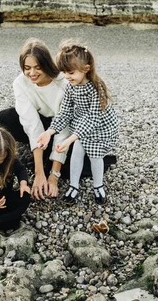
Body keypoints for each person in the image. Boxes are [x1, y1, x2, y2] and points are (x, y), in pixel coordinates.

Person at [37, 41, 119, 205]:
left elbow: (93, 118)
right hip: (81, 123)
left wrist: (69, 139)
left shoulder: (96, 87)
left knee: (95, 155)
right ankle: (74, 185)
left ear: (86, 69)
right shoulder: (70, 87)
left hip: (99, 126)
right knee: (77, 151)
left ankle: (98, 186)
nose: (67, 76)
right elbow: (65, 112)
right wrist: (49, 132)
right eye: (64, 72)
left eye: (71, 72)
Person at [0, 38, 71, 200]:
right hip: (38, 122)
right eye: (27, 68)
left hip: (61, 125)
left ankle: (48, 155)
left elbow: (64, 130)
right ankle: (40, 151)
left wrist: (53, 177)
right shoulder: (20, 83)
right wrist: (38, 174)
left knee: (71, 169)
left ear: (46, 64)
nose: (32, 73)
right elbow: (33, 126)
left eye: (37, 68)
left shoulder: (64, 83)